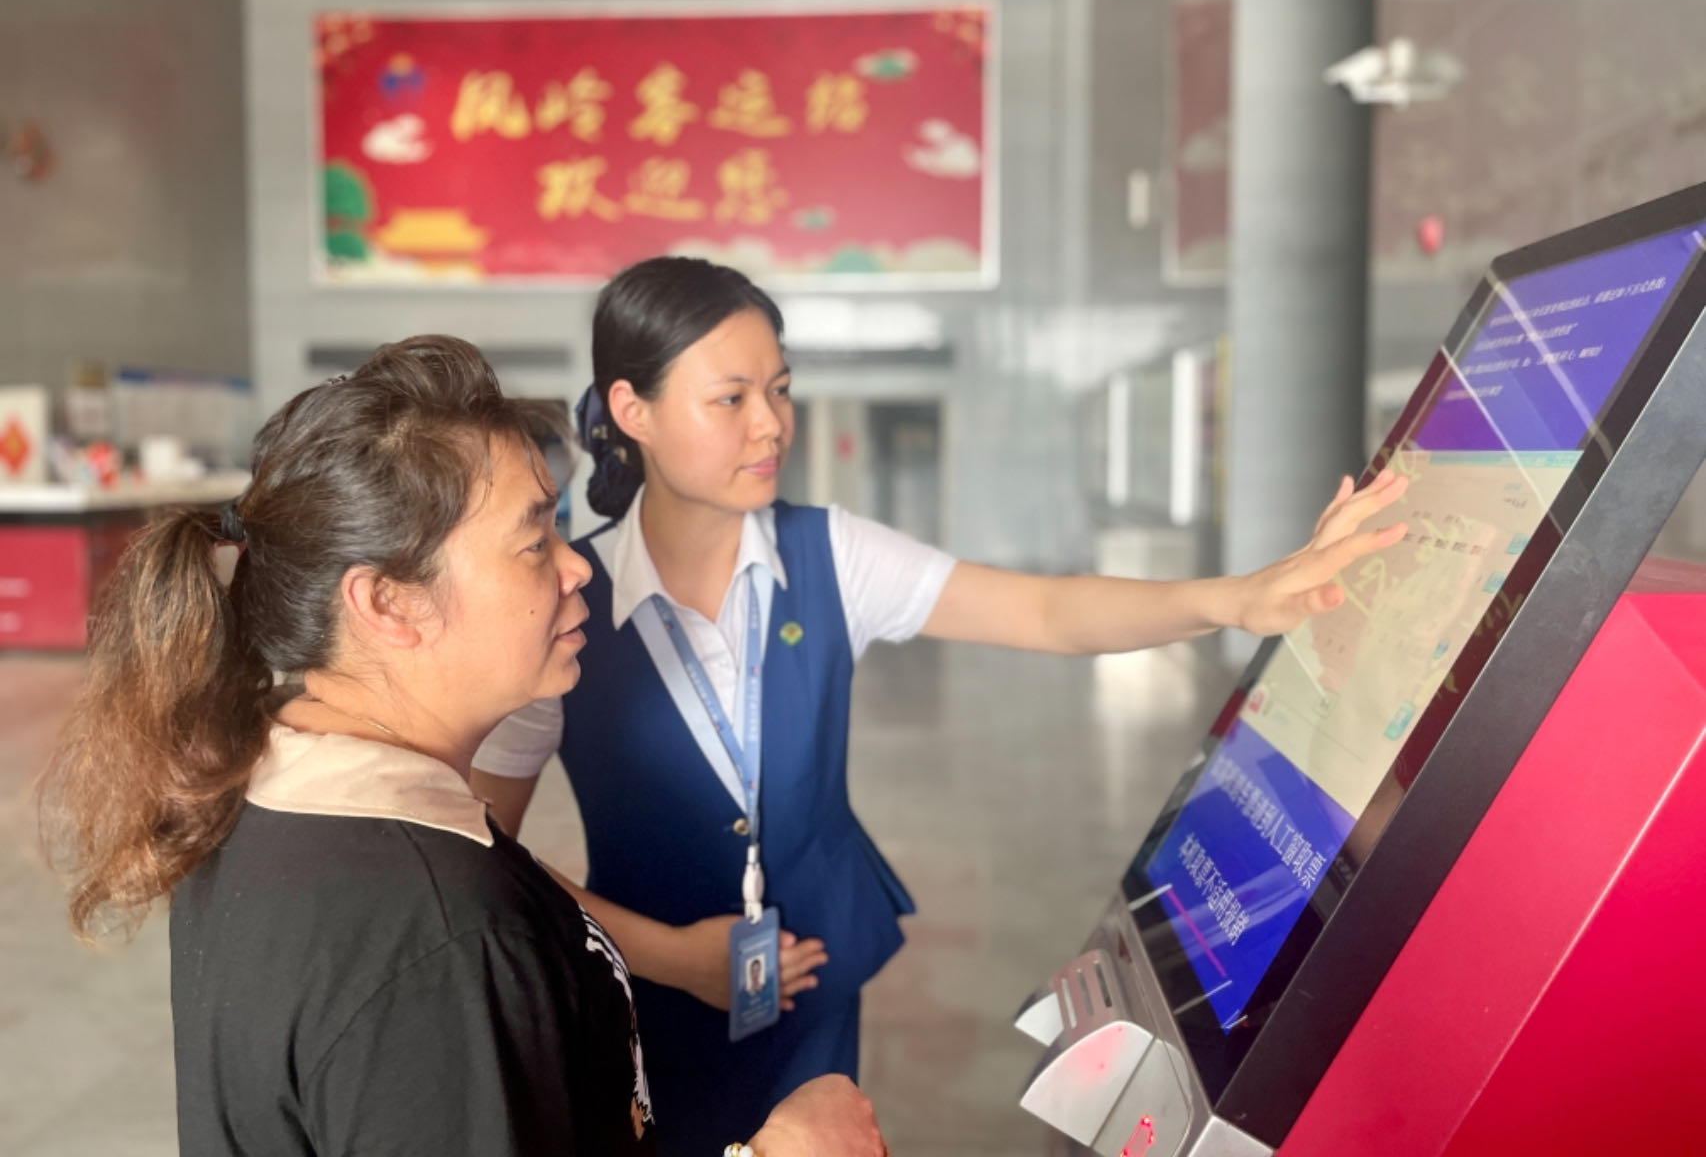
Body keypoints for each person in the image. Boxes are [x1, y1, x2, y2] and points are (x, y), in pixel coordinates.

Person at [469, 257, 1410, 1153]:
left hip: (812, 988)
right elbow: (485, 850)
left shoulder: (829, 554)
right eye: (732, 399)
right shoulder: (567, 600)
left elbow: (1045, 610)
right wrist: (673, 957)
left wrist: (1237, 599)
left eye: (781, 390)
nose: (772, 425)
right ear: (632, 409)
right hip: (643, 1002)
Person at [37, 336, 885, 1157]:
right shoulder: (441, 945)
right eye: (534, 543)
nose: (577, 568)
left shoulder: (262, 797)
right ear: (389, 603)